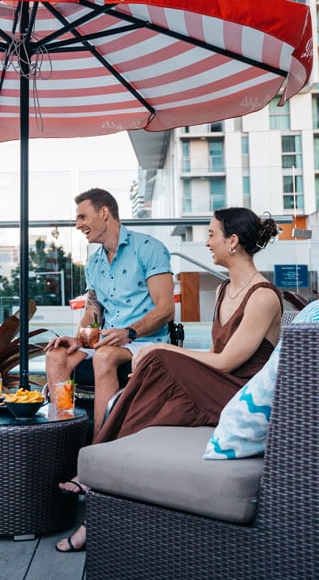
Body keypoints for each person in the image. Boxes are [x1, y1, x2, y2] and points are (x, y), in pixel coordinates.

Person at [56, 207, 282, 553]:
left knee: (158, 358)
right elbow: (214, 352)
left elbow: (225, 362)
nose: (206, 242)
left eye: (211, 234)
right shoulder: (225, 289)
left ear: (233, 241)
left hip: (234, 393)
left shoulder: (263, 296)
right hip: (216, 385)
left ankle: (91, 464)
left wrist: (164, 351)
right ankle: (98, 486)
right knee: (149, 398)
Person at [45, 188, 174, 440]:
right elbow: (92, 313)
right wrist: (79, 340)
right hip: (107, 341)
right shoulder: (94, 263)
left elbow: (166, 309)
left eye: (82, 217)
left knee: (102, 357)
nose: (77, 224)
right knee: (56, 356)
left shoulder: (149, 248)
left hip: (145, 341)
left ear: (104, 212)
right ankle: (62, 437)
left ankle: (98, 446)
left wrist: (129, 332)